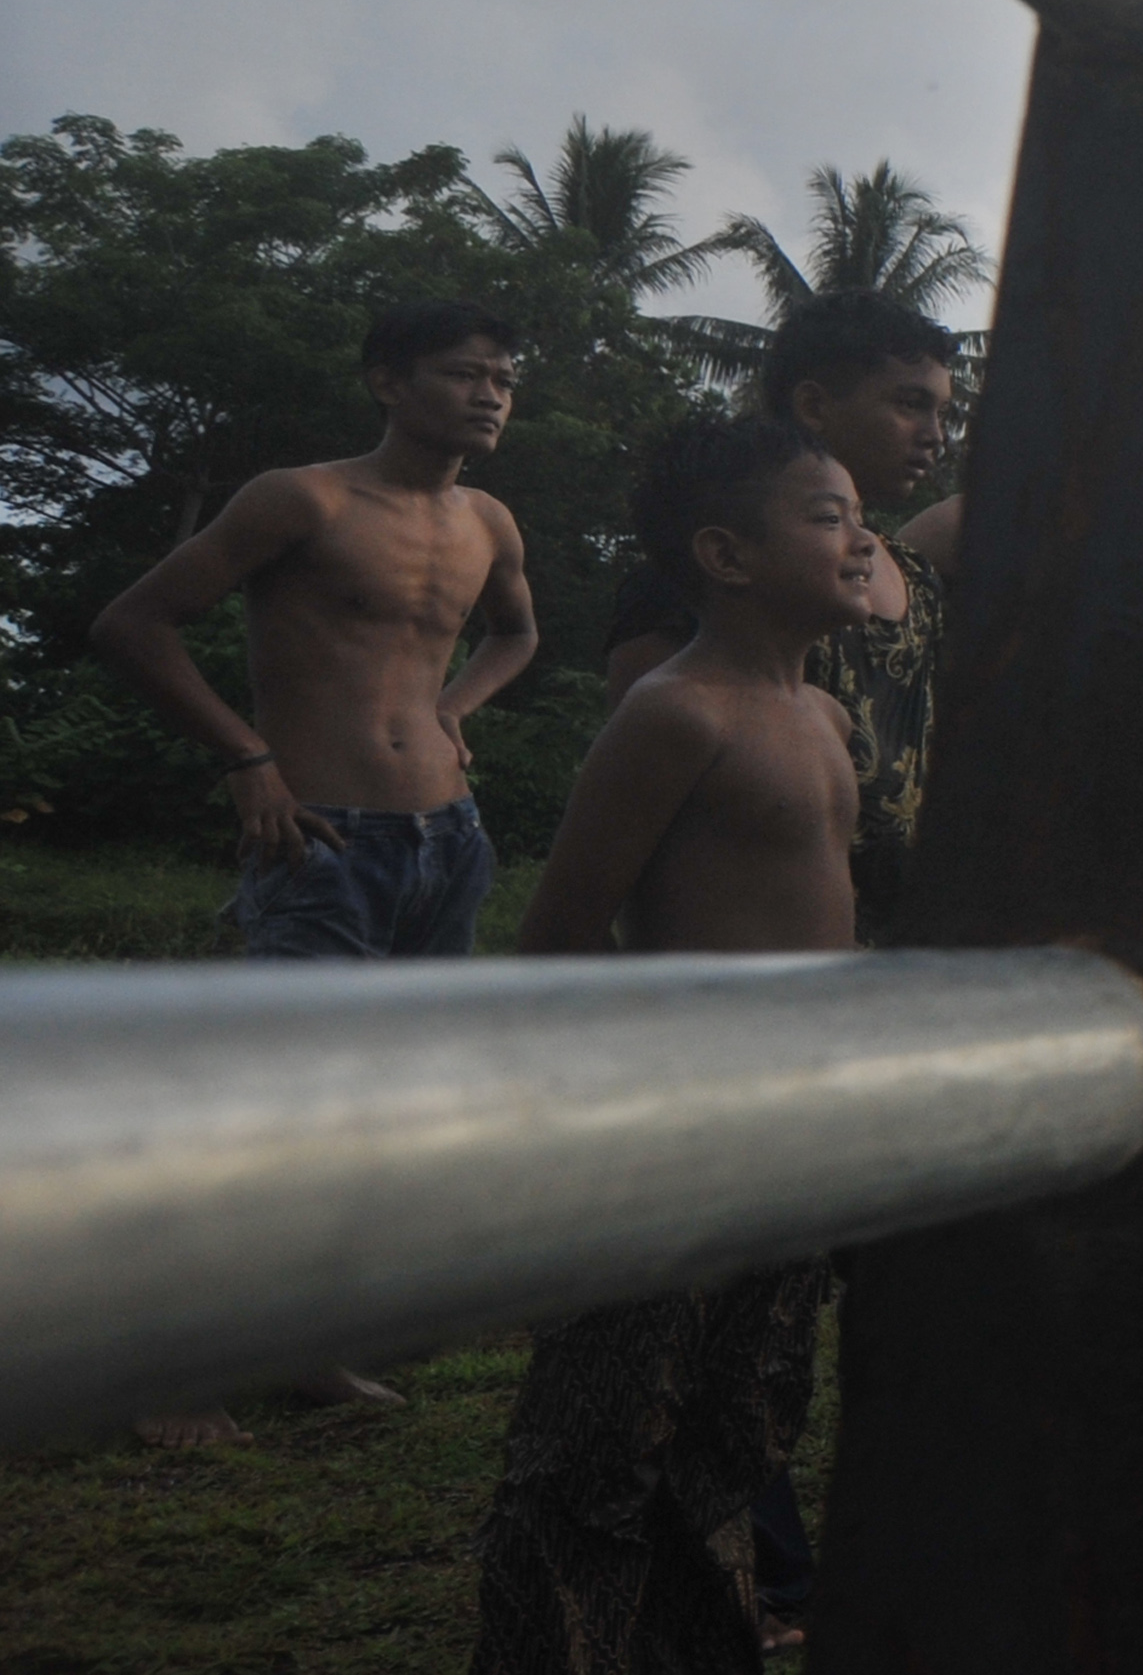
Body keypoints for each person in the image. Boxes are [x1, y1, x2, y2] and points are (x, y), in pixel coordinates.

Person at [91, 298, 539, 1444]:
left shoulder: (488, 519)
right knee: (272, 1100)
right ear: (388, 380)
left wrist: (455, 707)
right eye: (464, 372)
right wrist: (246, 756)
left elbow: (517, 633)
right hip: (323, 838)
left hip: (447, 839)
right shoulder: (304, 498)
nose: (490, 394)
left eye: (503, 378)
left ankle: (303, 1338)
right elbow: (135, 623)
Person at [471, 417, 874, 1675]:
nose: (862, 540)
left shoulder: (824, 718)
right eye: (828, 515)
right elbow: (559, 935)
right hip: (674, 1134)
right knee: (596, 1449)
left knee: (734, 1431)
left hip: (790, 1132)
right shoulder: (677, 713)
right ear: (726, 554)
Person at [606, 289, 965, 938]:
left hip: (899, 964)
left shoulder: (914, 578)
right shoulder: (687, 589)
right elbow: (638, 824)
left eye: (942, 411)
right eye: (909, 404)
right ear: (814, 405)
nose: (935, 435)